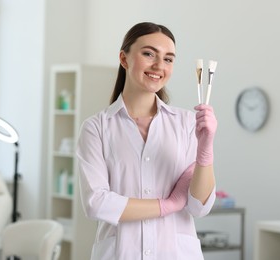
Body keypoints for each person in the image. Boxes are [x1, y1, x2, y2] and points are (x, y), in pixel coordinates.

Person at [76, 22, 217, 260]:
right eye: (149, 54)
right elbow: (96, 203)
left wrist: (206, 149)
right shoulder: (96, 128)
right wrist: (167, 206)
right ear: (124, 58)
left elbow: (199, 207)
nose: (159, 66)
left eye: (168, 59)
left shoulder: (186, 124)